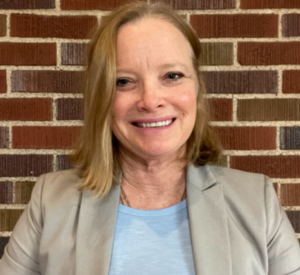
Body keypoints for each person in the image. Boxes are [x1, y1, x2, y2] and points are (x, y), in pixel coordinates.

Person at [0, 2, 300, 275]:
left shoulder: (255, 202)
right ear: (101, 97)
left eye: (172, 76)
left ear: (196, 88)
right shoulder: (51, 202)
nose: (150, 100)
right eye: (124, 81)